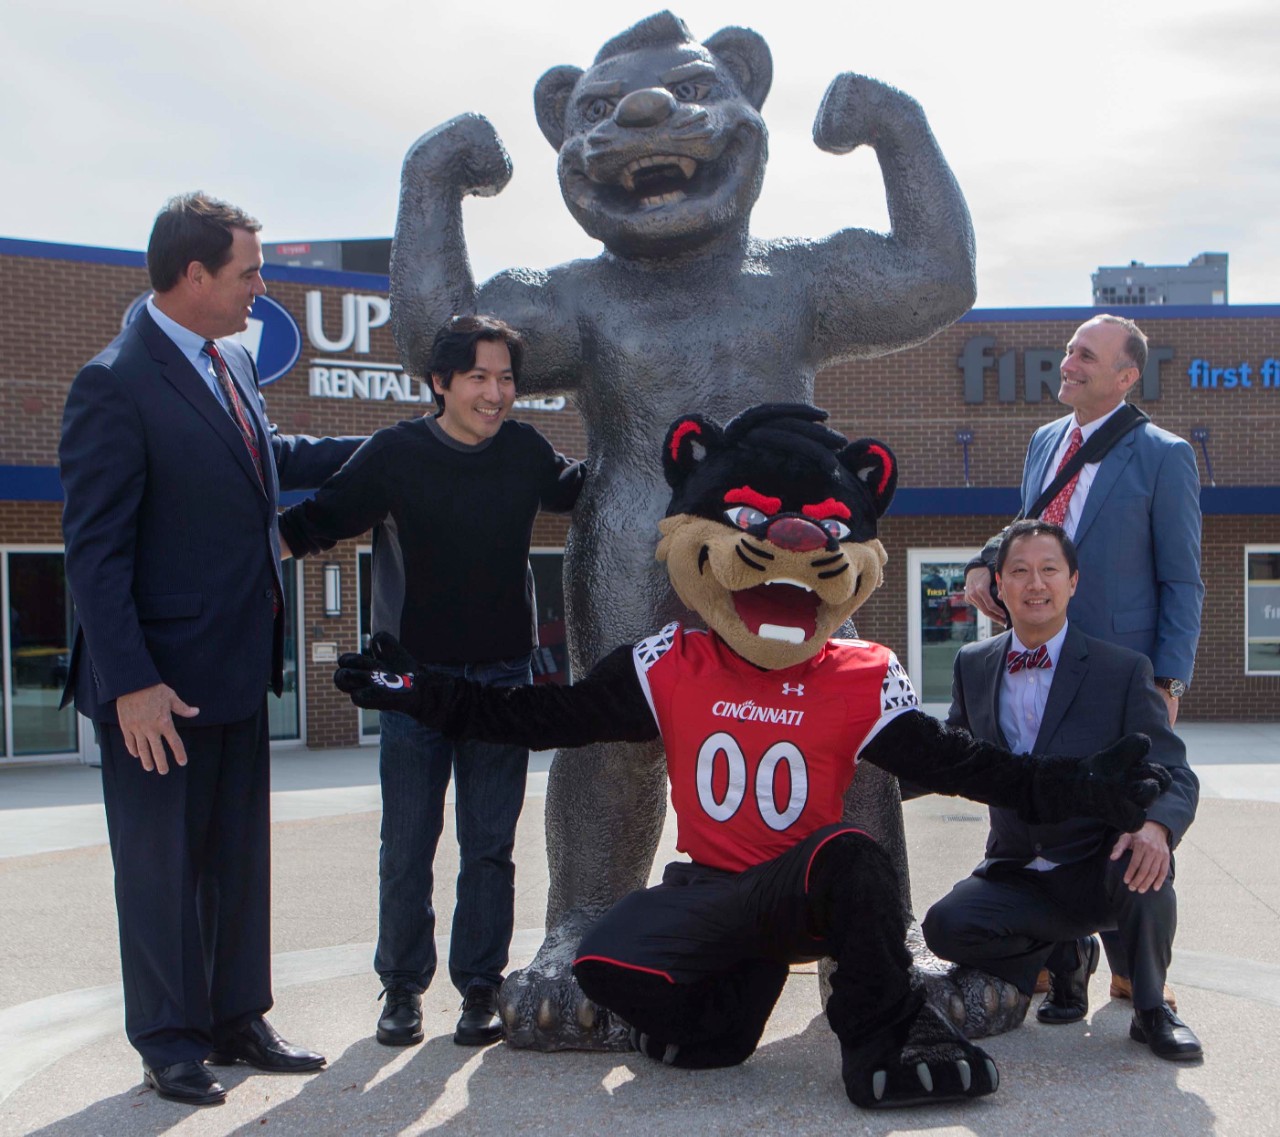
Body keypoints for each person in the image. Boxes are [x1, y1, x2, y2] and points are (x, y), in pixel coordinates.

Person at [59, 193, 362, 1106]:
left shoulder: (229, 362)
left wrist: (389, 450)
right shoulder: (112, 382)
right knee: (160, 867)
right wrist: (133, 685)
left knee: (235, 859)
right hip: (158, 685)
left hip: (234, 663)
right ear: (194, 276)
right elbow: (94, 556)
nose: (260, 289)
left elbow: (265, 456)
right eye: (249, 272)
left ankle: (237, 1016)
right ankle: (169, 1038)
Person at [277, 314, 584, 1050]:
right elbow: (315, 521)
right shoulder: (394, 453)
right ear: (441, 382)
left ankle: (479, 988)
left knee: (488, 845)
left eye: (506, 377)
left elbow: (580, 490)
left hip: (502, 681)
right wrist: (228, 557)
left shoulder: (522, 451)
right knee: (408, 842)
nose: (496, 392)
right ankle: (401, 989)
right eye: (479, 376)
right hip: (412, 681)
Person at [962, 313, 1203, 1002]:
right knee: (1041, 801)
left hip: (1119, 666)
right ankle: (1055, 952)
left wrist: (1168, 676)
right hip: (1042, 653)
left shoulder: (1164, 454)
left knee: (1124, 810)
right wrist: (989, 561)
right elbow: (1030, 528)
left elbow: (1182, 580)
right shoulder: (1045, 441)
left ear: (1126, 375)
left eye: (1086, 355)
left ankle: (1132, 965)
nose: (1068, 360)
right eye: (1069, 349)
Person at [924, 520, 1202, 1060]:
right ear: (998, 585)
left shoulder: (1121, 670)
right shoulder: (973, 665)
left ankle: (1151, 1009)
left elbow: (1175, 770)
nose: (1035, 584)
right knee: (945, 927)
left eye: (1049, 570)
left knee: (1148, 868)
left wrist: (1156, 826)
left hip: (1101, 865)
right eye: (1020, 572)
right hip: (1017, 868)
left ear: (1073, 581)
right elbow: (951, 754)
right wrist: (873, 765)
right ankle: (1063, 954)